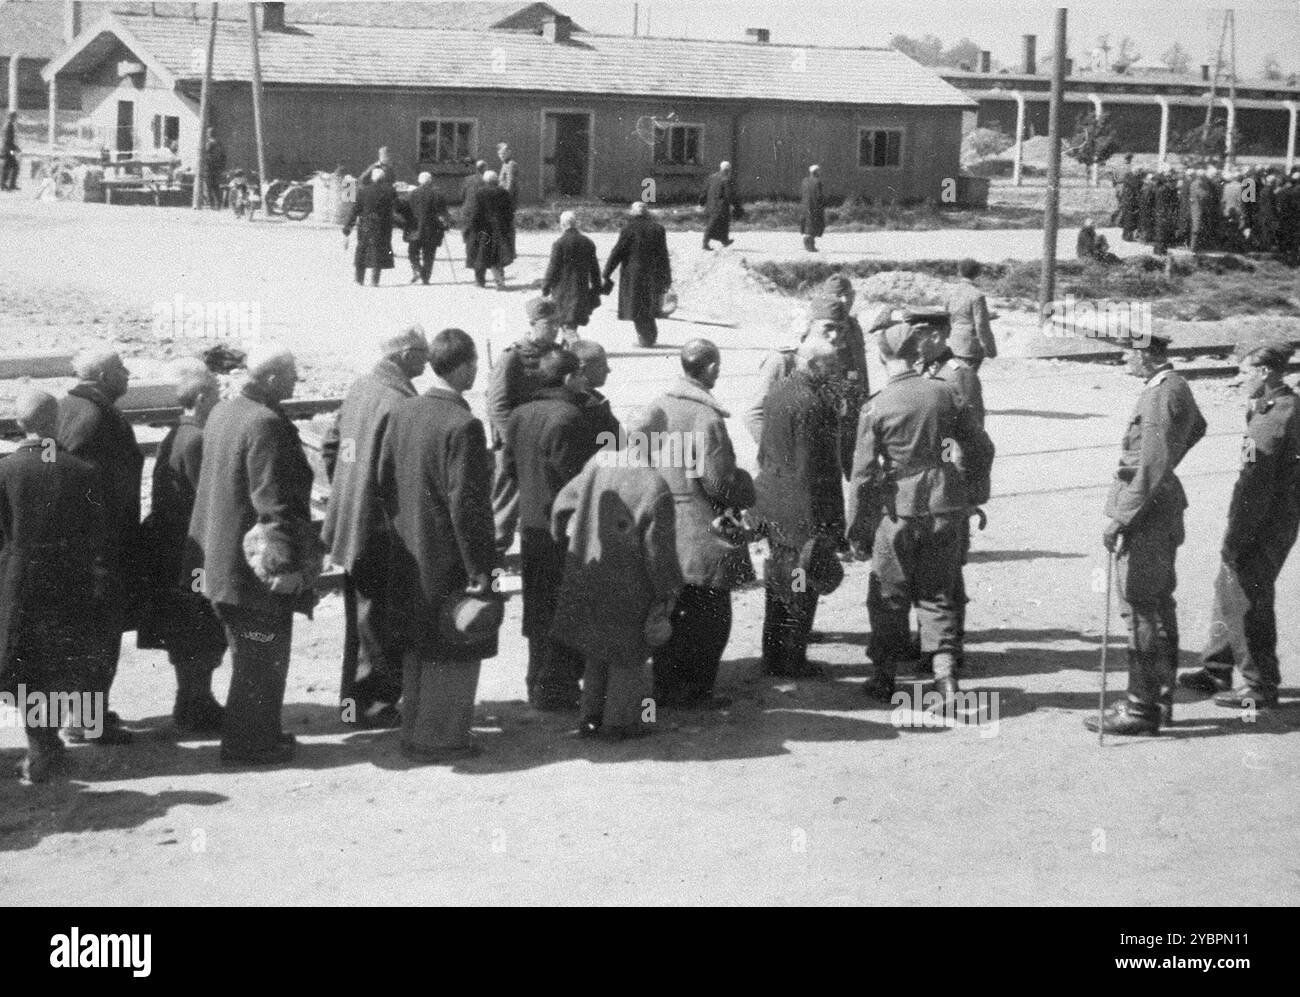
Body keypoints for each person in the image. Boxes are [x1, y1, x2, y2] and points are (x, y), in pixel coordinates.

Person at [187, 343, 319, 765]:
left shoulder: (226, 411)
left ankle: (259, 736)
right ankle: (249, 745)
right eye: (294, 374)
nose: (298, 382)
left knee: (253, 657)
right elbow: (273, 504)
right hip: (252, 571)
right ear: (273, 379)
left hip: (221, 564)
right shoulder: (263, 423)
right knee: (261, 658)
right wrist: (284, 568)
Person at [849, 323, 993, 706]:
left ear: (881, 358)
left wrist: (858, 529)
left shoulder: (876, 404)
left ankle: (884, 677)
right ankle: (945, 678)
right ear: (918, 355)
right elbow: (980, 446)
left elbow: (863, 476)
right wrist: (972, 492)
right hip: (946, 504)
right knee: (937, 590)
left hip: (898, 509)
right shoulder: (945, 394)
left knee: (889, 593)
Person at [378, 328, 501, 763]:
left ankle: (415, 730)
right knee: (454, 644)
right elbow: (468, 508)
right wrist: (481, 571)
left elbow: (383, 478)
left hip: (409, 550)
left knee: (418, 645)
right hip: (449, 557)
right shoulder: (463, 425)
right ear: (466, 366)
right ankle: (442, 738)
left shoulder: (405, 411)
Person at [1087, 333, 1206, 736]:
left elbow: (1152, 464)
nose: (1122, 358)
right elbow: (1197, 428)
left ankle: (1141, 708)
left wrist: (1121, 517)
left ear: (1146, 355)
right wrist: (1167, 463)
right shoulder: (1175, 385)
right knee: (1158, 606)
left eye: (1127, 352)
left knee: (1140, 610)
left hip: (1146, 515)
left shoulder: (1159, 394)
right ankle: (1161, 697)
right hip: (1159, 505)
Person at [634, 339, 755, 709]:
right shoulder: (707, 417)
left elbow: (633, 456)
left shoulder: (656, 406)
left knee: (671, 609)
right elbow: (718, 481)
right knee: (711, 611)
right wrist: (745, 487)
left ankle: (667, 687)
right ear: (712, 369)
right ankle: (697, 690)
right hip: (702, 527)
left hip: (661, 523)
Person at [1181, 339, 1299, 710]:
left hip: (1264, 521)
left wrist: (1236, 535)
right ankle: (1217, 668)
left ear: (1264, 373)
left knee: (1247, 596)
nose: (1239, 378)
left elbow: (1254, 484)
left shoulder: (1273, 417)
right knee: (1227, 586)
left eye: (1245, 371)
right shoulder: (1276, 405)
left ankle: (1260, 685)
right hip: (1273, 515)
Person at [322, 326, 429, 729]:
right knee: (380, 620)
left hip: (351, 521)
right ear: (403, 355)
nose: (427, 360)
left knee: (361, 617)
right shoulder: (399, 400)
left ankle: (354, 702)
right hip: (379, 529)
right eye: (422, 352)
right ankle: (372, 705)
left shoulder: (361, 388)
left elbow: (333, 447)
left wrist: (347, 491)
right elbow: (399, 472)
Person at [0, 389, 107, 782]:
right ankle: (51, 743)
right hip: (68, 580)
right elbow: (97, 537)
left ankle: (40, 744)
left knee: (24, 664)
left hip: (17, 581)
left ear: (18, 424)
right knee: (61, 662)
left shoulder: (6, 470)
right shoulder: (83, 471)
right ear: (56, 422)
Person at [550, 445, 683, 740]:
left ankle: (590, 718)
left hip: (592, 573)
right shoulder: (654, 485)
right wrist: (668, 590)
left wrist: (561, 537)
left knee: (597, 652)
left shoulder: (598, 465)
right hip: (631, 582)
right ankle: (621, 724)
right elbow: (658, 551)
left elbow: (562, 503)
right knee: (629, 656)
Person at [505, 349, 606, 709]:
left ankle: (537, 681)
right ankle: (557, 688)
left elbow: (510, 468)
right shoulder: (570, 417)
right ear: (568, 379)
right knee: (565, 608)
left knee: (537, 608)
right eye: (579, 374)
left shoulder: (518, 414)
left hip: (531, 525)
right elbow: (577, 478)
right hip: (563, 529)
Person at [55, 348, 142, 745]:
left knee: (86, 634)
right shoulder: (95, 418)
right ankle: (86, 721)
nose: (128, 374)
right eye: (122, 368)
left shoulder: (68, 406)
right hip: (99, 547)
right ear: (106, 375)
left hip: (82, 546)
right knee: (98, 636)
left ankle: (86, 712)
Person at [138, 360, 226, 733]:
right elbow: (208, 499)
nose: (220, 401)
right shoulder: (198, 440)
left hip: (171, 548)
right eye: (218, 395)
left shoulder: (177, 433)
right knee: (200, 628)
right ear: (203, 397)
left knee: (187, 630)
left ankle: (192, 700)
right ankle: (196, 704)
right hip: (191, 552)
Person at [752, 338, 846, 678]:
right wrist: (823, 524)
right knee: (800, 585)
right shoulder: (812, 403)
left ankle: (773, 656)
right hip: (802, 508)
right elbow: (813, 468)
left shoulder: (779, 391)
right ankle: (792, 660)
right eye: (831, 365)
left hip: (775, 500)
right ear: (815, 365)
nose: (835, 371)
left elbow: (765, 449)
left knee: (780, 581)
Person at [487, 296, 562, 557]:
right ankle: (491, 567)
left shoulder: (558, 354)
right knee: (504, 511)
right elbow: (496, 405)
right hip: (515, 448)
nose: (555, 329)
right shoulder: (513, 357)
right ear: (533, 323)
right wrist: (516, 442)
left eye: (558, 323)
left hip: (546, 446)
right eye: (549, 323)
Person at [602, 200, 672, 348]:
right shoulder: (658, 229)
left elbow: (617, 252)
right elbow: (663, 255)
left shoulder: (628, 229)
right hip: (653, 274)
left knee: (636, 308)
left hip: (633, 275)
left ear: (632, 213)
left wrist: (607, 272)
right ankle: (649, 337)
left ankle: (646, 339)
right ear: (647, 213)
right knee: (648, 306)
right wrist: (667, 277)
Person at [542, 211, 602, 342]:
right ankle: (568, 344)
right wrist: (597, 287)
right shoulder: (587, 242)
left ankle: (573, 345)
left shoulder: (559, 243)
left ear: (562, 224)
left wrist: (545, 286)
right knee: (572, 319)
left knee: (565, 319)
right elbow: (594, 268)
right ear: (576, 224)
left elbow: (553, 267)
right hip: (580, 287)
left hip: (562, 289)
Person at [343, 167, 405, 286]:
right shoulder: (390, 191)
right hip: (383, 226)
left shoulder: (363, 191)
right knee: (379, 251)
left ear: (372, 178)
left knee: (362, 250)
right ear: (383, 178)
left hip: (366, 225)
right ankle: (374, 280)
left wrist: (347, 230)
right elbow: (398, 207)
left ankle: (359, 279)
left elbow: (355, 211)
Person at [463, 169, 515, 289]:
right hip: (499, 229)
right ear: (496, 180)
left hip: (483, 229)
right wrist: (506, 227)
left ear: (485, 180)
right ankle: (500, 280)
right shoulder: (504, 193)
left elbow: (476, 212)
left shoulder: (480, 193)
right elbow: (509, 213)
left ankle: (480, 281)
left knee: (481, 253)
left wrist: (472, 227)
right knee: (497, 254)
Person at [943, 259, 997, 371]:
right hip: (970, 345)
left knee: (955, 377)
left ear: (959, 272)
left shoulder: (950, 293)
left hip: (954, 342)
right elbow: (981, 325)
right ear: (978, 273)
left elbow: (947, 317)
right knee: (968, 382)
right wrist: (989, 347)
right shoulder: (977, 295)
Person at [404, 172, 451, 284]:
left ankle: (418, 269)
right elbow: (443, 213)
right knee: (429, 255)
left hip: (415, 229)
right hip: (433, 230)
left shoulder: (412, 194)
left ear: (419, 181)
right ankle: (426, 278)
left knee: (412, 253)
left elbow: (406, 211)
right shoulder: (438, 194)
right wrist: (446, 224)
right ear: (430, 181)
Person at [569, 339, 620, 443]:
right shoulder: (592, 406)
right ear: (582, 369)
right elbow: (617, 443)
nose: (608, 370)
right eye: (602, 365)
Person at [700, 160, 738, 250]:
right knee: (713, 225)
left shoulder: (711, 177)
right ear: (728, 169)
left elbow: (704, 191)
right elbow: (729, 195)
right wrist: (735, 205)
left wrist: (701, 201)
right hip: (720, 207)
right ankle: (705, 243)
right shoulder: (726, 179)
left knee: (723, 224)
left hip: (710, 205)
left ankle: (724, 240)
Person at [799, 164, 826, 252]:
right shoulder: (817, 182)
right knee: (814, 225)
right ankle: (810, 245)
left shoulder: (804, 181)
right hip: (814, 206)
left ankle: (809, 244)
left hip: (805, 205)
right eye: (819, 171)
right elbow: (819, 196)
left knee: (807, 223)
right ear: (816, 172)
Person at [201, 127, 225, 207]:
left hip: (209, 167)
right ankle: (218, 204)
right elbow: (223, 156)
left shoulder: (209, 143)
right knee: (216, 186)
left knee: (209, 187)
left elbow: (204, 152)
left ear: (209, 134)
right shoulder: (220, 143)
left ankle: (211, 204)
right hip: (217, 168)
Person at [3, 111, 20, 191]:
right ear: (12, 117)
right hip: (9, 150)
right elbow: (8, 140)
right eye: (15, 117)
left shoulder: (7, 125)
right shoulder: (9, 126)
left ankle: (4, 184)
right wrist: (16, 148)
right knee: (15, 166)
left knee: (7, 166)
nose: (16, 119)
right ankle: (10, 185)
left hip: (7, 149)